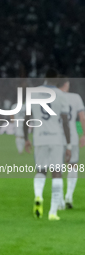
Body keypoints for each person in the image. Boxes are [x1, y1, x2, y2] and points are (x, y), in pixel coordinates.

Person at [24, 68, 71, 221]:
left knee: (41, 171)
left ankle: (38, 196)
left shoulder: (33, 93)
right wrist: (68, 145)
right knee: (57, 173)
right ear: (56, 80)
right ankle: (52, 212)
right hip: (56, 138)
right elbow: (65, 121)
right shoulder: (60, 95)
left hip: (39, 138)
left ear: (44, 78)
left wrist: (26, 138)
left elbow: (27, 117)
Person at [57, 77, 85, 209]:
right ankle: (69, 195)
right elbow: (82, 117)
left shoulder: (52, 98)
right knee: (72, 166)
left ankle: (60, 200)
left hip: (56, 137)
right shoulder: (75, 97)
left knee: (57, 169)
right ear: (66, 84)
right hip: (72, 136)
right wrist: (84, 134)